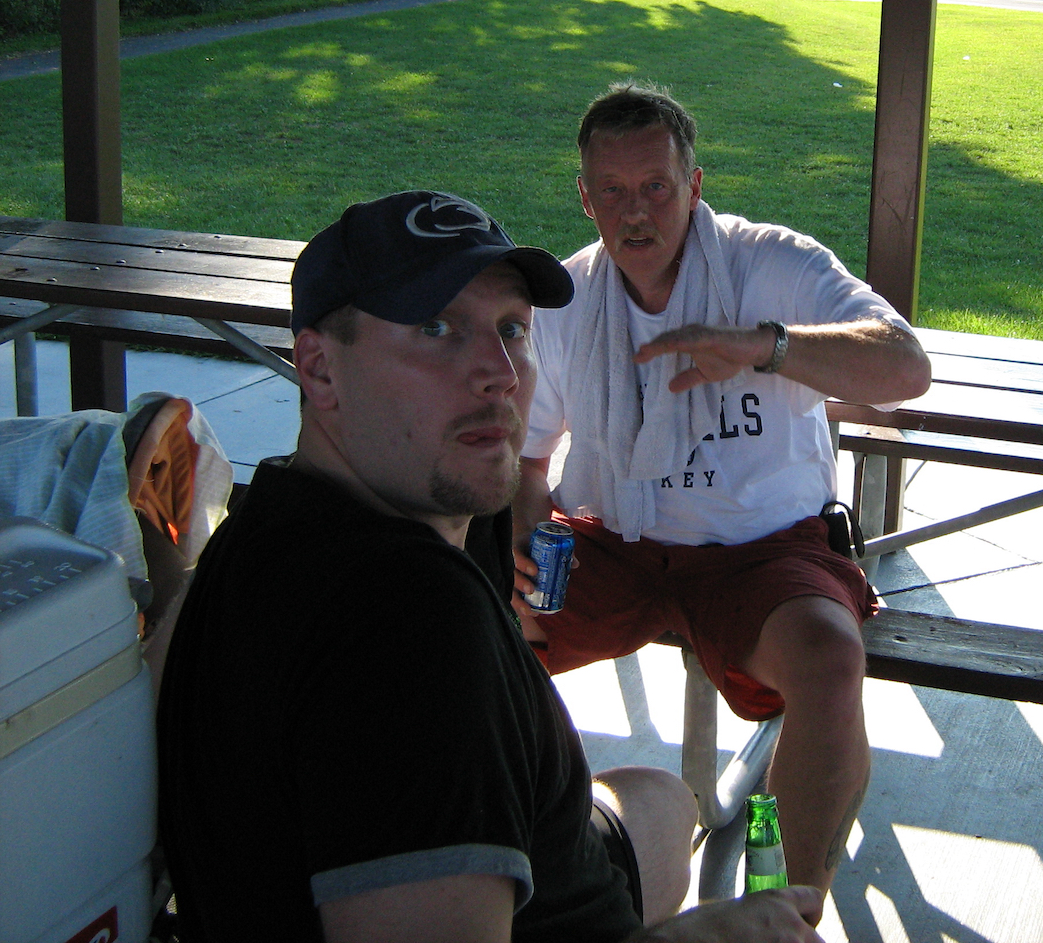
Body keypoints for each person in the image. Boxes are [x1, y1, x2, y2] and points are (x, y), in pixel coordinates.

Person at [156, 190, 825, 943]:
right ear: (319, 369)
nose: (501, 373)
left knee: (663, 805)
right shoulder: (411, 623)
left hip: (529, 864)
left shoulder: (270, 519)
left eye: (512, 328)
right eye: (436, 328)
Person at [513, 85, 932, 897]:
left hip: (762, 549)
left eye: (657, 187)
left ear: (695, 185)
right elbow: (528, 465)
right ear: (586, 198)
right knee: (473, 615)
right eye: (613, 192)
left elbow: (906, 367)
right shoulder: (568, 298)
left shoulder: (770, 264)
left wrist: (765, 348)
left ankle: (787, 909)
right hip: (613, 539)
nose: (637, 213)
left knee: (829, 661)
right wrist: (520, 536)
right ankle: (505, 845)